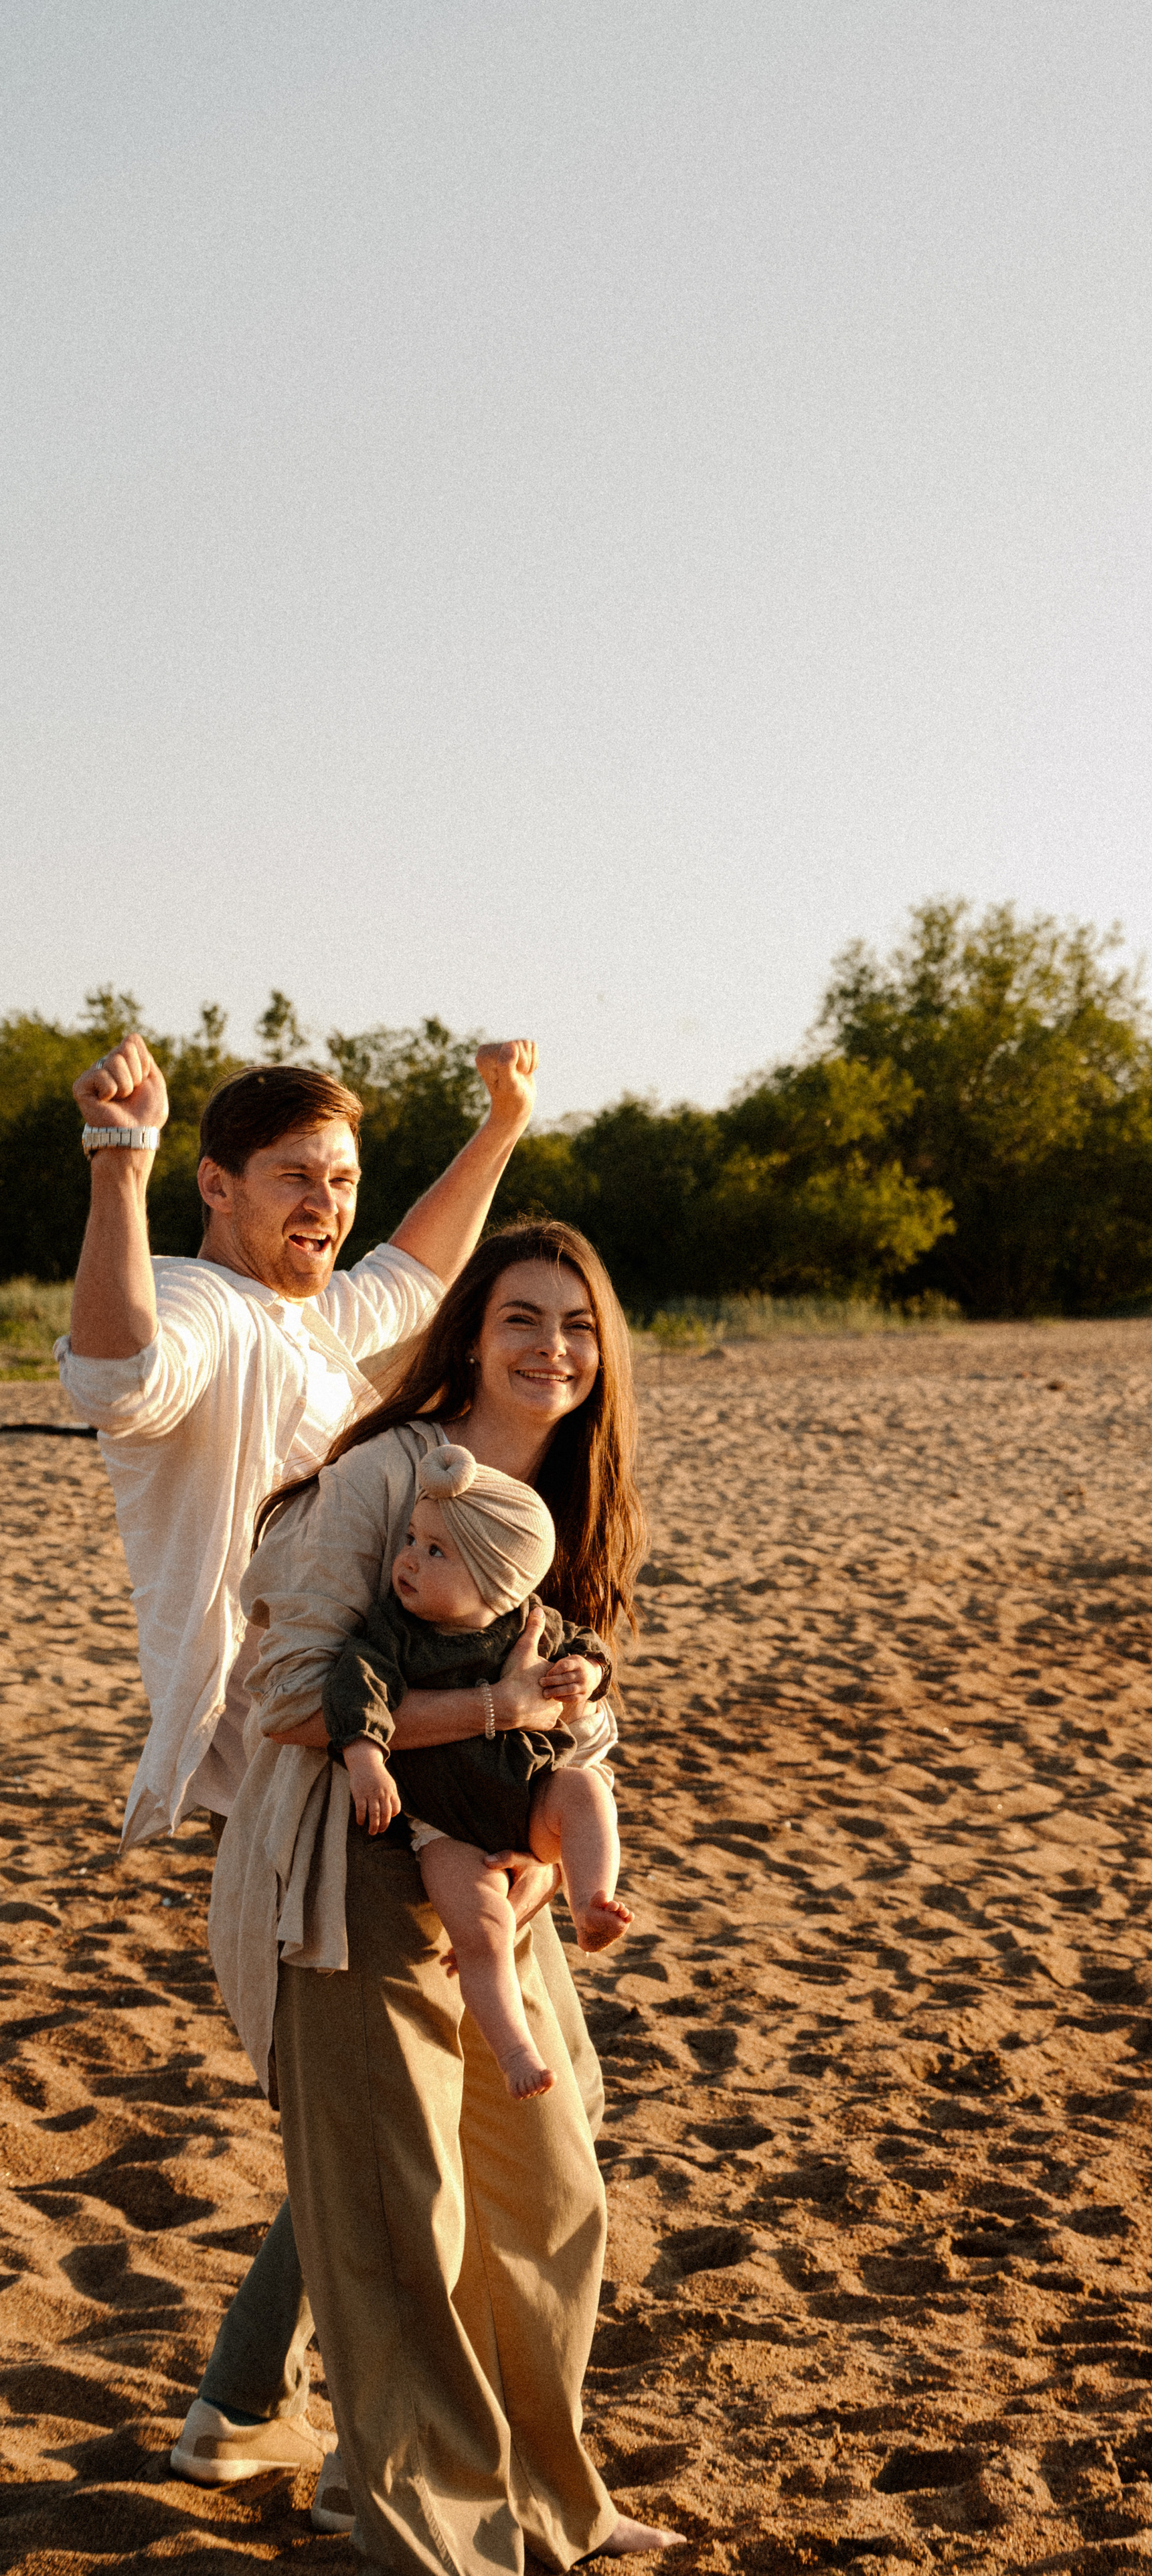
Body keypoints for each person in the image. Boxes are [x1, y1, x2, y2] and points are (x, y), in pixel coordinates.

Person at [55, 1031, 571, 2519]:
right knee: (384, 2105)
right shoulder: (210, 1308)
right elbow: (112, 1370)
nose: (328, 1204)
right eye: (297, 1178)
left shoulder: (314, 1320)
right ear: (219, 1185)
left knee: (383, 2095)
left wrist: (502, 1123)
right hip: (290, 1759)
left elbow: (414, 1269)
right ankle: (319, 2427)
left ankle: (241, 2398)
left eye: (340, 1179)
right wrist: (116, 1164)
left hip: (371, 1747)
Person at [210, 1221, 682, 2569]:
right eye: (521, 1317)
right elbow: (287, 1695)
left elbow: (577, 1716)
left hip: (499, 1878)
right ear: (471, 1332)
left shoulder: (579, 1500)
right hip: (348, 1869)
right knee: (402, 2216)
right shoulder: (386, 1476)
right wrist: (482, 1703)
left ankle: (545, 2500)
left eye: (577, 1324)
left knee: (548, 2190)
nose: (551, 1347)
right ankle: (439, 2524)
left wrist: (554, 1844)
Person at [328, 1441, 633, 2099]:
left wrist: (587, 1675)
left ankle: (591, 1901)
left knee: (585, 1790)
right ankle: (514, 2046)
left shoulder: (531, 1622)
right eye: (411, 1538)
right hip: (446, 1830)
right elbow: (356, 1688)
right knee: (481, 1930)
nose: (407, 1559)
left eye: (436, 1551)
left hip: (530, 1797)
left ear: (498, 1580)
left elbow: (592, 1651)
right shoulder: (395, 1632)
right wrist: (365, 1757)